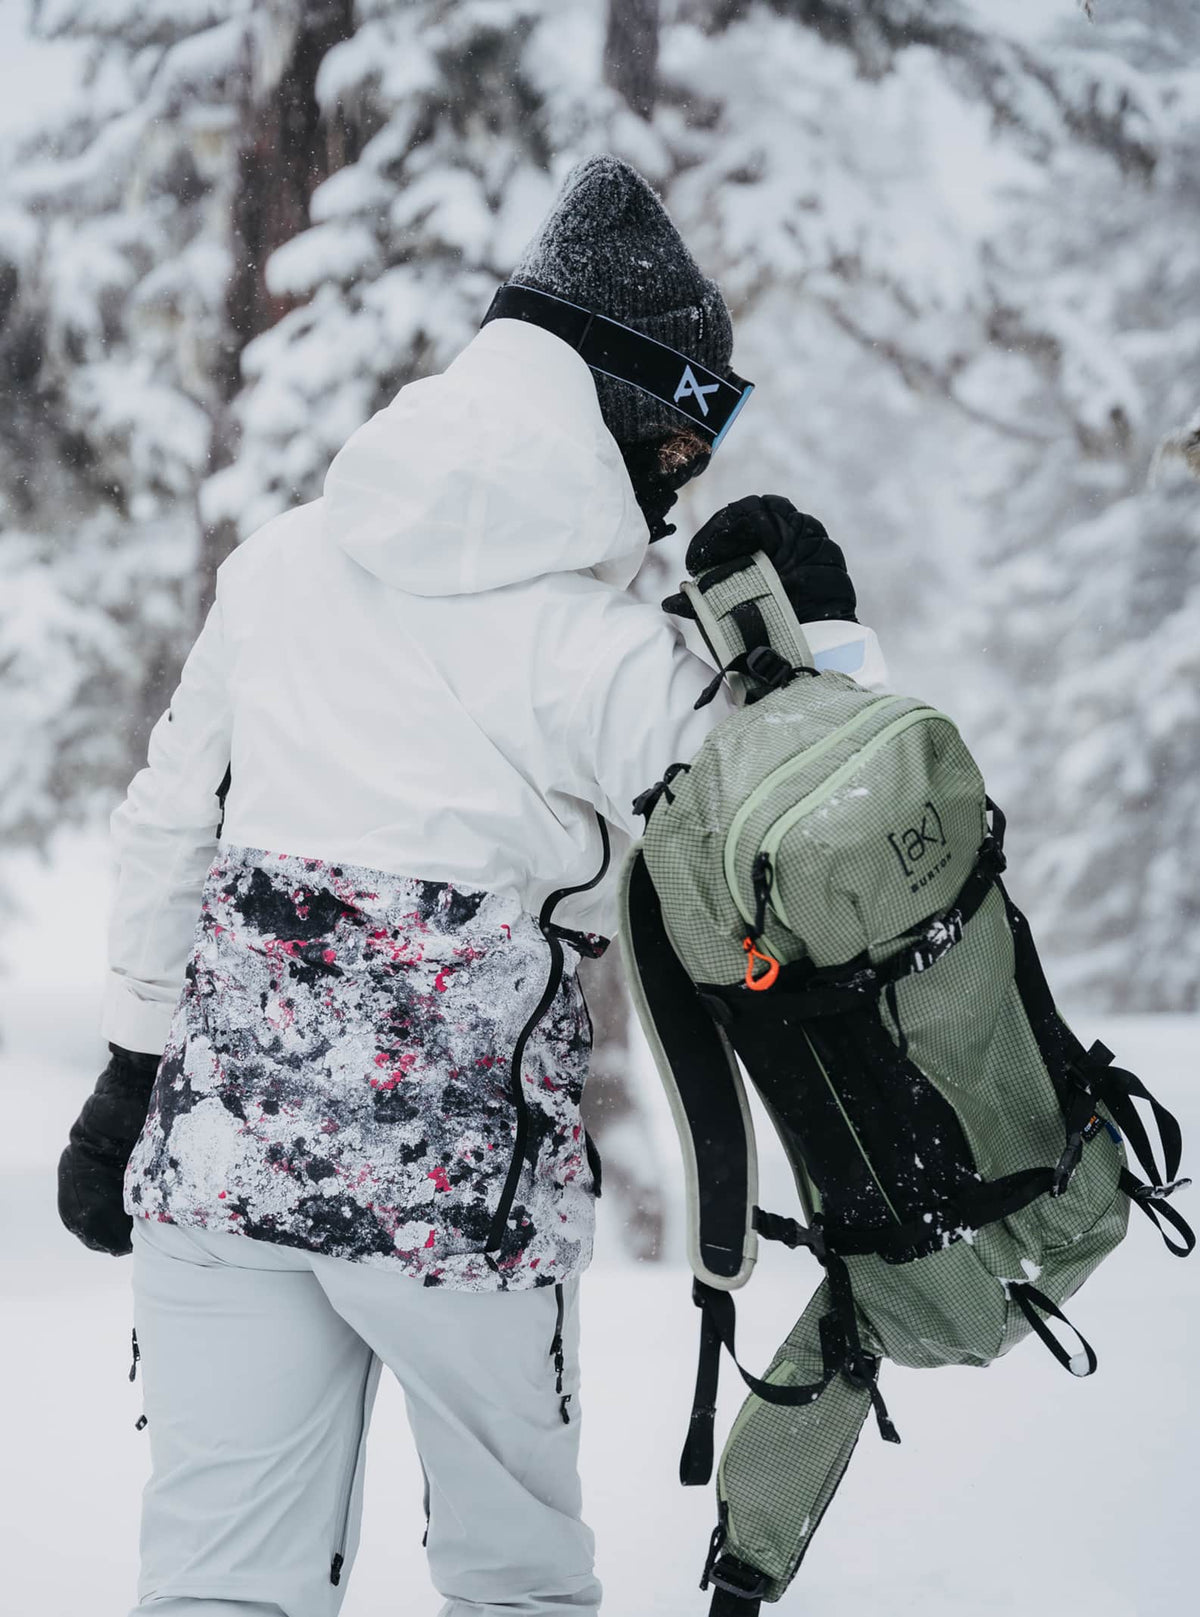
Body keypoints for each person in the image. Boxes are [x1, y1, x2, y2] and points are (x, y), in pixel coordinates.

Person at [57, 155, 879, 1617]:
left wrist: (130, 1065)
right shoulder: (606, 645)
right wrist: (826, 651)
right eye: (687, 434)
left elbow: (170, 824)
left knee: (219, 1590)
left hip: (229, 1165)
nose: (684, 477)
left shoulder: (285, 565)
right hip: (461, 1202)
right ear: (624, 401)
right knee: (515, 1589)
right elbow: (811, 833)